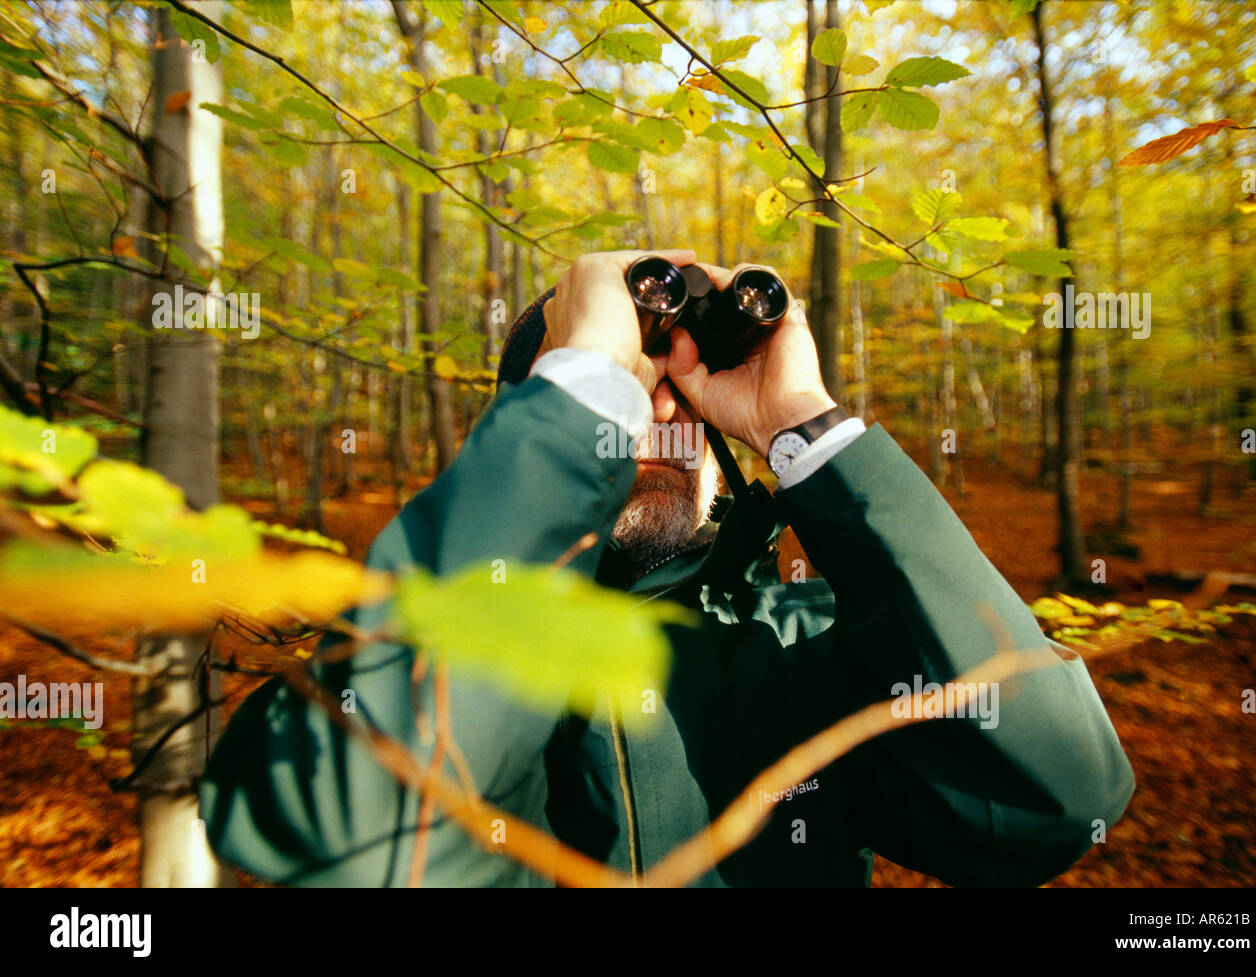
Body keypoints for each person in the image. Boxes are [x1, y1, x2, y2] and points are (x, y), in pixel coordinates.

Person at [200, 248, 1135, 887]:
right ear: (543, 429)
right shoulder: (435, 646)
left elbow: (1059, 794)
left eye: (674, 395)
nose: (652, 421)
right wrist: (590, 375)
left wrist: (799, 420)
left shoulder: (805, 654)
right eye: (616, 392)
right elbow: (342, 833)